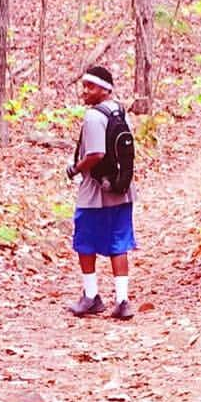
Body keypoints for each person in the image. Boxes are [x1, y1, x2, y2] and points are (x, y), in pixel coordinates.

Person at [65, 65, 135, 319]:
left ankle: (91, 296)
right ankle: (123, 301)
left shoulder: (94, 116)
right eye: (84, 86)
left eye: (90, 87)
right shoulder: (122, 112)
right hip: (121, 188)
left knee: (85, 242)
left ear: (105, 89)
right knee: (119, 243)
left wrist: (75, 169)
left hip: (94, 192)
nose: (85, 92)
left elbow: (96, 154)